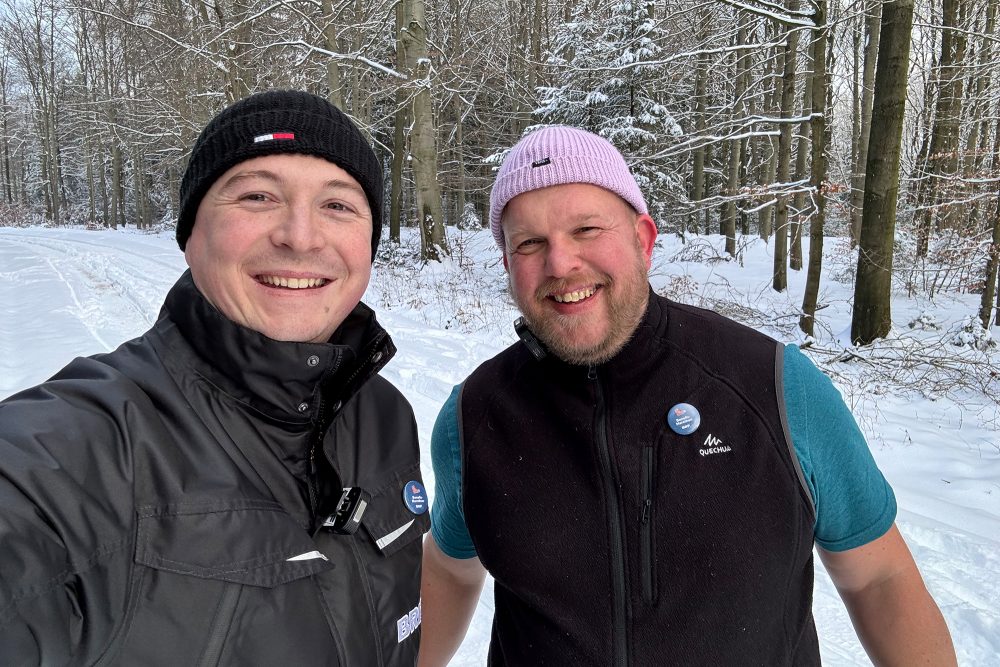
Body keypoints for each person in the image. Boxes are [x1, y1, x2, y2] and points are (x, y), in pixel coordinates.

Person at [418, 126, 956, 666]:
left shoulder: (774, 388)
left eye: (586, 228)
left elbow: (879, 579)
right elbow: (449, 567)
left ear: (644, 239)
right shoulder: (474, 418)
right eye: (529, 243)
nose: (560, 264)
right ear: (509, 265)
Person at [0, 90, 428, 665]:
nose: (300, 237)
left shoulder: (385, 415)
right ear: (190, 234)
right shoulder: (87, 447)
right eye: (256, 196)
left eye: (338, 205)